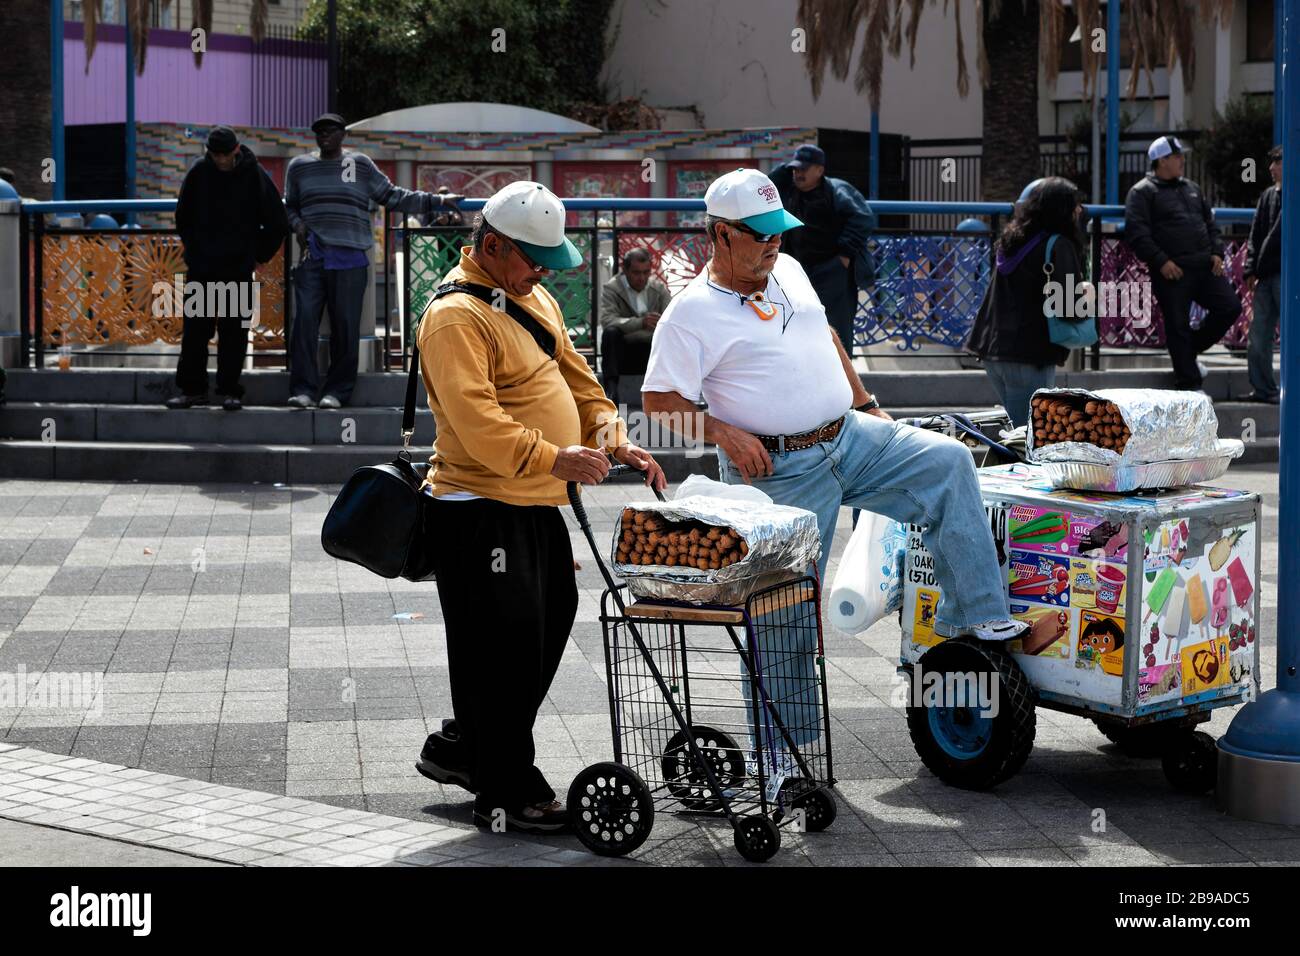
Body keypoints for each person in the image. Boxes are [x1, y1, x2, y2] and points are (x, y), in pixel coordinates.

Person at [412, 181, 666, 834]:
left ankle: (471, 747)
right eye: (530, 261)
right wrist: (556, 458)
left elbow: (578, 379)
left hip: (534, 502)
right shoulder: (453, 318)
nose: (538, 276)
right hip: (477, 506)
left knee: (550, 619)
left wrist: (615, 439)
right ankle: (505, 790)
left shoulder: (533, 295)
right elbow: (476, 422)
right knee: (505, 644)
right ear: (492, 246)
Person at [284, 112, 462, 409]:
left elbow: (392, 196)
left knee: (346, 327)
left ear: (343, 134)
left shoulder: (360, 165)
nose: (324, 134)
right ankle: (302, 390)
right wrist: (298, 225)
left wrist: (436, 201)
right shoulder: (299, 167)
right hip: (312, 256)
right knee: (303, 324)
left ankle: (336, 392)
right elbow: (289, 207)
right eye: (319, 130)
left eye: (331, 129)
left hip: (351, 257)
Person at [169, 126, 288, 410]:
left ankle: (230, 390)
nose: (220, 160)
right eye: (215, 155)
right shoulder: (199, 173)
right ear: (208, 153)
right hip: (202, 267)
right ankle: (192, 389)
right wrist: (195, 250)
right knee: (196, 332)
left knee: (233, 333)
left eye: (225, 154)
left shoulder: (254, 174)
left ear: (236, 151)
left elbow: (276, 220)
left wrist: (259, 255)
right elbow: (182, 216)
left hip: (237, 267)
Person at [966, 177, 1092, 428]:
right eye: (1075, 205)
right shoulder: (1058, 245)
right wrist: (1088, 296)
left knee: (1019, 430)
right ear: (1061, 209)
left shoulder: (1013, 241)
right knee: (1029, 437)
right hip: (1028, 356)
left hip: (993, 352)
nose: (1079, 211)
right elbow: (1069, 309)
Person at [1124, 135, 1241, 391]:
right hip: (1172, 271)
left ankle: (1187, 355)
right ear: (1161, 161)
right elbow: (1137, 233)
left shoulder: (1192, 187)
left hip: (1204, 266)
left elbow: (1210, 224)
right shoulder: (1142, 192)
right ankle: (1189, 383)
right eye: (1177, 157)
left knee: (1230, 307)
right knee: (1177, 325)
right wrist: (1161, 260)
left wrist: (1217, 252)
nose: (1182, 161)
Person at [768, 144, 877, 351]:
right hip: (797, 272)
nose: (798, 174)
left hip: (832, 271)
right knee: (796, 328)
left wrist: (844, 255)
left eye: (804, 169)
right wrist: (785, 169)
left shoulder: (837, 190)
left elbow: (863, 219)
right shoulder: (790, 189)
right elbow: (767, 186)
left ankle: (843, 382)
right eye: (795, 169)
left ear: (820, 170)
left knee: (836, 331)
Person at [598, 247, 672, 400]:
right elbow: (607, 320)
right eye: (636, 273)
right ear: (625, 270)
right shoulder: (612, 288)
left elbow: (672, 321)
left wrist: (632, 328)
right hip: (624, 352)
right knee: (610, 334)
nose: (642, 278)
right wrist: (641, 323)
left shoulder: (658, 289)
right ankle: (611, 392)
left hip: (650, 351)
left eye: (646, 272)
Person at [1243, 146, 1282, 405]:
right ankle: (1263, 388)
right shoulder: (1268, 196)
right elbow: (1256, 234)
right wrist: (1249, 267)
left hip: (1283, 273)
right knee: (1259, 333)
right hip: (1268, 275)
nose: (1271, 167)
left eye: (1277, 162)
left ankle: (1268, 388)